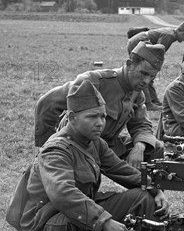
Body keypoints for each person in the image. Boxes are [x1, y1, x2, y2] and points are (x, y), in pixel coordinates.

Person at [15, 80, 177, 231]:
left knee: (141, 197)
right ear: (72, 118)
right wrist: (104, 220)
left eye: (102, 116)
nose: (100, 122)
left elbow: (123, 171)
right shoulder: (55, 150)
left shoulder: (94, 143)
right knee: (88, 221)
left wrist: (155, 189)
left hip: (77, 211)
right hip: (46, 226)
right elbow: (63, 194)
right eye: (92, 116)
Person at [35, 41, 166, 168]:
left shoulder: (137, 92)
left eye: (152, 77)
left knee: (154, 149)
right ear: (130, 64)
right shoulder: (95, 81)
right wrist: (47, 148)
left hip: (107, 145)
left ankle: (145, 188)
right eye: (143, 73)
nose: (147, 81)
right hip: (78, 144)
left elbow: (141, 124)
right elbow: (47, 103)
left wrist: (139, 147)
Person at [126, 21, 184, 110]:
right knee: (144, 75)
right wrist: (155, 69)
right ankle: (148, 104)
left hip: (138, 43)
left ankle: (154, 101)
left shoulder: (171, 33)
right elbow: (158, 52)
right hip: (136, 44)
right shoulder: (170, 35)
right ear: (180, 32)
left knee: (148, 76)